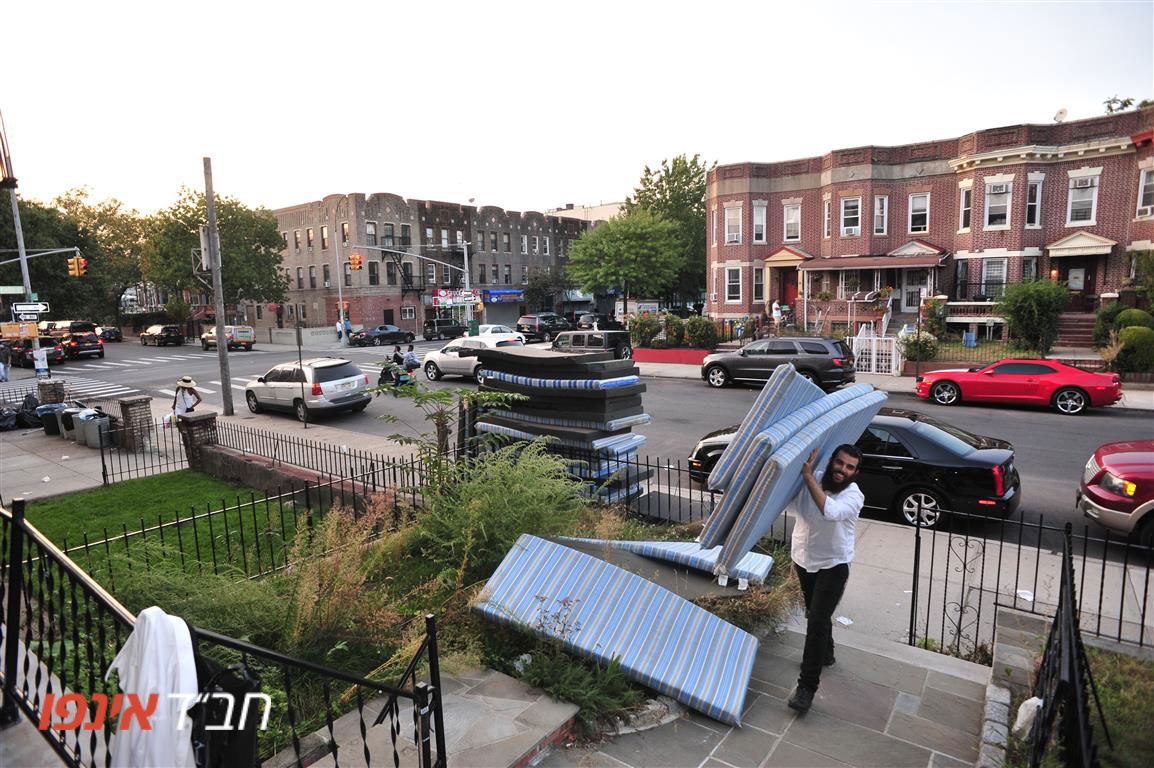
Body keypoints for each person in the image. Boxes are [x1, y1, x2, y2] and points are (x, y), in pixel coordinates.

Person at [787, 444, 865, 715]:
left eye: (850, 467)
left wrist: (808, 477)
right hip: (804, 559)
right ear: (832, 461)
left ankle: (806, 688)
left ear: (855, 472)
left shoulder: (854, 496)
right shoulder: (814, 477)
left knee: (817, 622)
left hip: (834, 565)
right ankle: (827, 653)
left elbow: (830, 511)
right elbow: (787, 503)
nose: (843, 470)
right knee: (815, 613)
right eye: (840, 463)